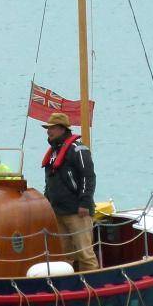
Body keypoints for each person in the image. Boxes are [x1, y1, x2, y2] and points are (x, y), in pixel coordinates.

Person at [39, 113, 97, 272]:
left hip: (78, 211)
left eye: (51, 128)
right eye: (48, 128)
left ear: (61, 129)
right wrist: (47, 204)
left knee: (85, 253)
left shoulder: (78, 149)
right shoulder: (53, 152)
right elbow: (49, 181)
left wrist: (85, 202)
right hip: (58, 211)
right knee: (64, 255)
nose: (48, 131)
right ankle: (68, 287)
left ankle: (91, 285)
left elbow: (88, 176)